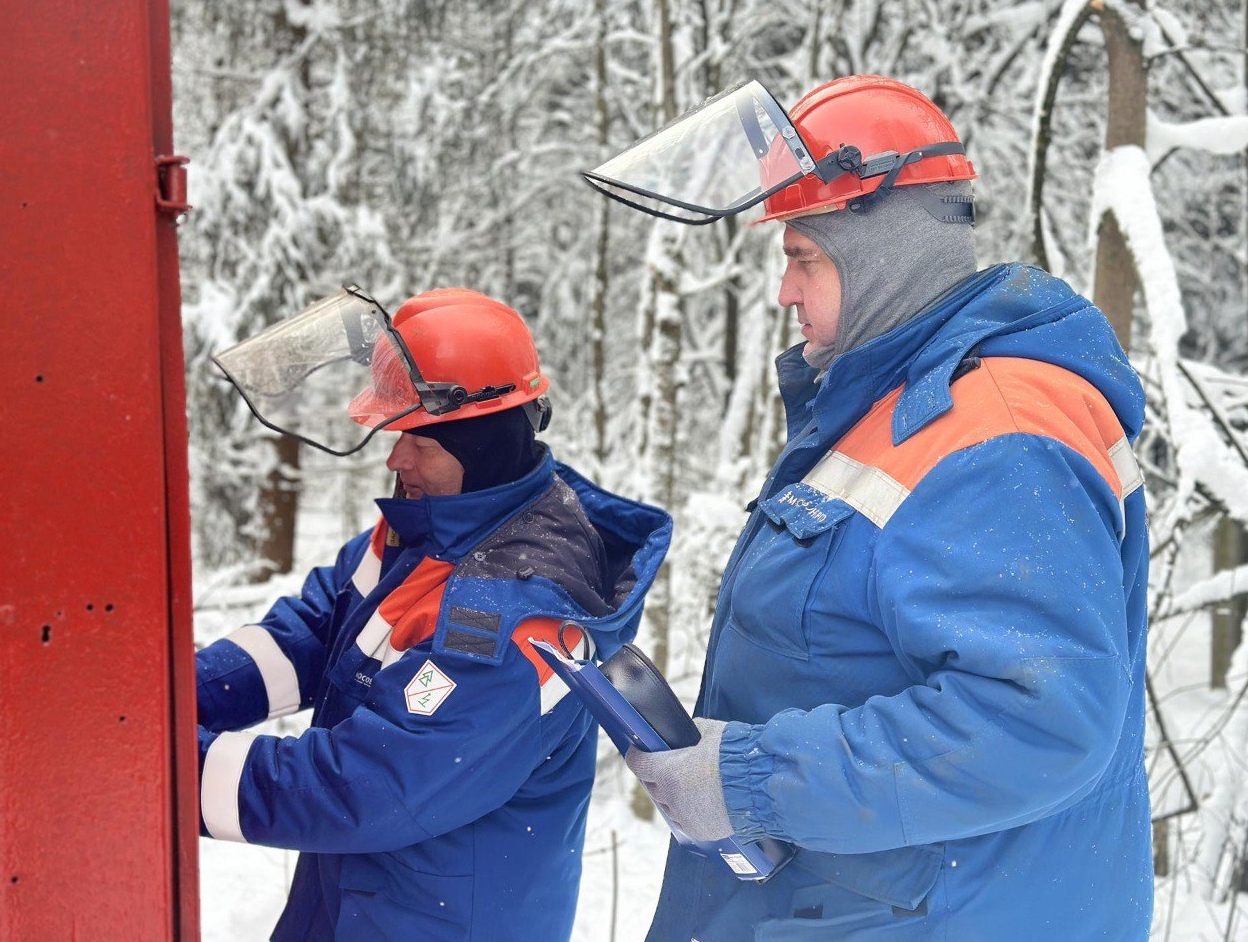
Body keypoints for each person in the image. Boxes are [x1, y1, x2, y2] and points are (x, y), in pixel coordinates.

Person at [589, 75, 1151, 939]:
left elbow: (1038, 719)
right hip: (845, 901)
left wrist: (748, 779)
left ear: (882, 254)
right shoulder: (894, 405)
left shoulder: (998, 433)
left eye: (801, 256)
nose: (784, 290)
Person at [195, 287, 672, 942]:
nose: (394, 460)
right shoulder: (430, 533)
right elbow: (311, 632)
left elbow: (365, 787)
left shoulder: (514, 616)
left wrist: (166, 768)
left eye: (418, 442)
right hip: (353, 900)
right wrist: (167, 699)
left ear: (481, 444)